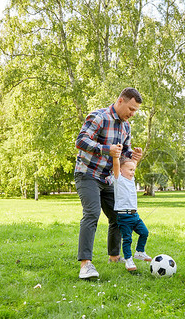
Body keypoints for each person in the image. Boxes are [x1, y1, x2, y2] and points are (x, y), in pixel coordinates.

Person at [74, 87, 143, 279]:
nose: (132, 113)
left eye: (135, 110)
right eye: (131, 108)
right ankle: (86, 264)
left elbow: (123, 154)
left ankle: (114, 257)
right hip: (87, 173)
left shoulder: (126, 127)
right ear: (120, 101)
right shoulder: (99, 117)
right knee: (92, 213)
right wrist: (107, 149)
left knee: (118, 215)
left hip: (108, 178)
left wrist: (133, 156)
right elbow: (80, 141)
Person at [110, 145, 151, 271]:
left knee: (144, 232)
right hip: (124, 215)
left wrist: (136, 158)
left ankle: (139, 252)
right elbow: (116, 165)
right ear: (121, 171)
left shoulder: (131, 179)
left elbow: (133, 164)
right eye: (130, 170)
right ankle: (128, 260)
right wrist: (116, 156)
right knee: (127, 239)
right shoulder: (118, 179)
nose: (133, 172)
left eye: (133, 170)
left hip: (134, 215)